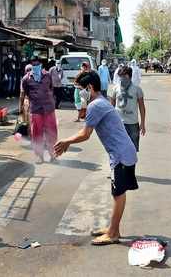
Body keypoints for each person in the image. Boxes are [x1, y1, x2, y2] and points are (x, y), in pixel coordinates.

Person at [54, 71, 138, 245]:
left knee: (118, 194)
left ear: (90, 87)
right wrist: (68, 142)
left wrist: (66, 141)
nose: (79, 93)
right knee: (117, 193)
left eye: (81, 89)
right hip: (123, 152)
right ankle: (113, 229)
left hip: (121, 155)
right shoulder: (102, 101)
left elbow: (85, 134)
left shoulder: (95, 105)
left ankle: (113, 233)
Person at [20, 56, 58, 164]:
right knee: (36, 133)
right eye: (34, 64)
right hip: (36, 109)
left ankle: (53, 154)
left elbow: (51, 88)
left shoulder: (47, 75)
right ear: (31, 66)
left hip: (49, 108)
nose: (36, 66)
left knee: (52, 132)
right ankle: (39, 156)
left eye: (38, 64)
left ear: (41, 65)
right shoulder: (26, 79)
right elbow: (26, 92)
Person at [111, 66, 146, 152]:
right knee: (118, 147)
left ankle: (130, 165)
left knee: (132, 149)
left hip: (133, 124)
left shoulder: (137, 89)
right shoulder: (116, 88)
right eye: (120, 76)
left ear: (129, 76)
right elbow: (111, 106)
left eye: (124, 76)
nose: (122, 78)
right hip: (118, 123)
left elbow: (142, 107)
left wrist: (143, 123)